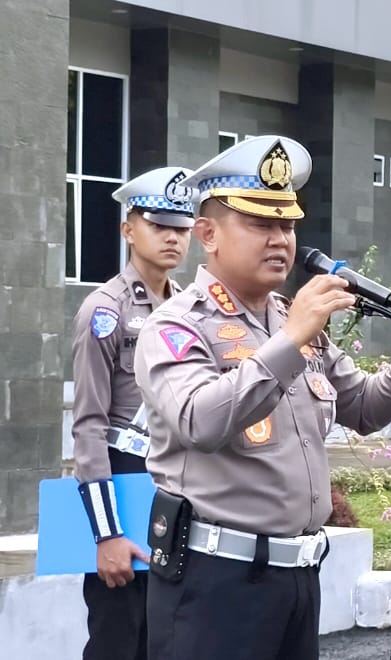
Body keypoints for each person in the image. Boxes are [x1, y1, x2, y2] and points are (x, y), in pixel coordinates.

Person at [133, 136, 391, 660]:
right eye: (259, 224)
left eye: (287, 225)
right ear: (208, 234)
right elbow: (200, 420)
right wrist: (289, 340)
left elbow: (363, 406)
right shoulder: (177, 325)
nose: (280, 240)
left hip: (296, 580)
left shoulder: (293, 321)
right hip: (215, 584)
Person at [71, 166, 196, 660]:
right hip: (124, 480)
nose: (172, 238)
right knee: (119, 638)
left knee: (169, 638)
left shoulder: (190, 307)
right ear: (128, 229)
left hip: (178, 483)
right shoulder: (106, 310)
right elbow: (89, 427)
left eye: (181, 228)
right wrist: (107, 533)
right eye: (158, 225)